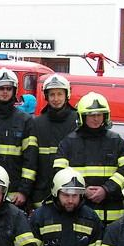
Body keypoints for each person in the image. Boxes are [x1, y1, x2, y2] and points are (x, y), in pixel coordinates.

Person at [53, 92, 124, 226]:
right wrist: (83, 190)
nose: (96, 119)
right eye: (91, 115)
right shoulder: (68, 142)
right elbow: (59, 171)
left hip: (112, 214)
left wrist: (107, 189)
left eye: (99, 114)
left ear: (105, 116)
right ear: (82, 117)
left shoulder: (116, 141)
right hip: (80, 212)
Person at [0, 68, 38, 209]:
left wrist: (24, 191)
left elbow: (30, 159)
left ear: (15, 90)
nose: (5, 92)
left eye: (8, 88)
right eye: (1, 88)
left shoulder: (25, 120)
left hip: (15, 194)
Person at [30, 75, 78, 207]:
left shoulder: (77, 121)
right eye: (52, 95)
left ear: (67, 95)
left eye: (59, 94)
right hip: (42, 190)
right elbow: (31, 159)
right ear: (46, 96)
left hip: (70, 191)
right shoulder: (37, 123)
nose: (56, 99)